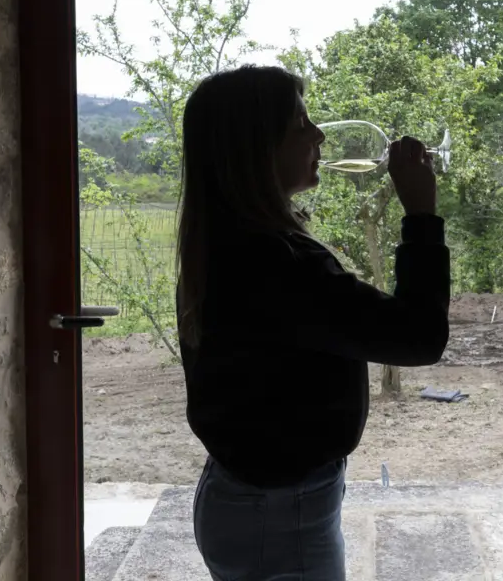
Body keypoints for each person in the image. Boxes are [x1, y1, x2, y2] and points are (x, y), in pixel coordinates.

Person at [176, 65, 451, 581]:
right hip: (279, 519)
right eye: (301, 124)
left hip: (258, 504)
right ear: (256, 147)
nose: (319, 135)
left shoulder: (228, 242)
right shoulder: (275, 264)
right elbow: (419, 336)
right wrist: (421, 214)